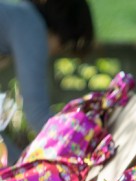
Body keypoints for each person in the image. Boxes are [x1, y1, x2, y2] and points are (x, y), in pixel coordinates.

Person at [0, 0, 94, 163]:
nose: (56, 52)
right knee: (14, 172)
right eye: (64, 47)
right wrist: (87, 143)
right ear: (65, 31)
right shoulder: (31, 26)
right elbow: (37, 114)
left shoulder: (17, 15)